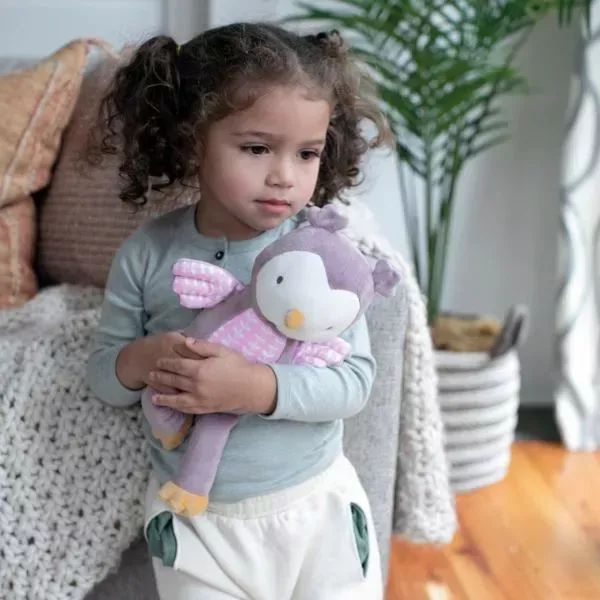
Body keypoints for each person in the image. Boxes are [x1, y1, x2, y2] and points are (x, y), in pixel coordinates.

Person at [86, 21, 392, 600]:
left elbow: (354, 382)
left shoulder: (322, 255)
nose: (284, 176)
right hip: (195, 522)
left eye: (307, 153)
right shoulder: (149, 253)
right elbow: (104, 376)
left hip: (315, 508)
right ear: (191, 140)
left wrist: (257, 388)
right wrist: (143, 360)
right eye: (256, 148)